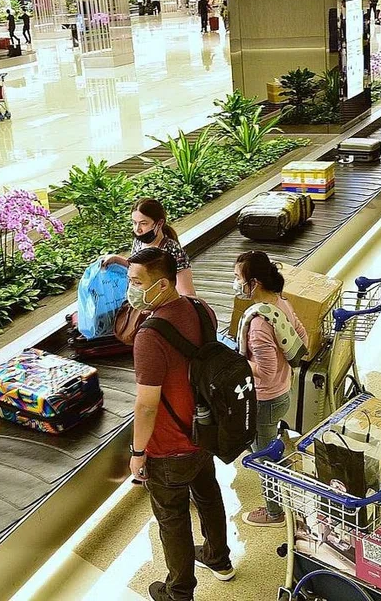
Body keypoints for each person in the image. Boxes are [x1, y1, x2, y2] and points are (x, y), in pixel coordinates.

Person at [127, 247, 234, 601]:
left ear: (161, 284)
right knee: (208, 495)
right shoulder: (201, 309)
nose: (131, 289)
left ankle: (179, 592)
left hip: (169, 446)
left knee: (172, 518)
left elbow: (146, 406)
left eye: (136, 282)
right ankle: (218, 558)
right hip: (204, 430)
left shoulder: (150, 335)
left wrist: (138, 452)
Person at [233, 251, 308, 528]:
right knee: (262, 445)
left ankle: (275, 513)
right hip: (282, 391)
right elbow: (302, 336)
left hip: (265, 399)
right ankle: (287, 479)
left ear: (254, 283)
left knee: (263, 458)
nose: (235, 284)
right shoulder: (280, 303)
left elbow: (264, 370)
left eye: (238, 278)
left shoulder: (258, 325)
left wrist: (237, 361)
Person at [104, 198, 197, 297]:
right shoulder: (139, 242)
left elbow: (188, 294)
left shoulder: (172, 251)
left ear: (159, 223)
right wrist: (116, 259)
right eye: (134, 223)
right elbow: (138, 268)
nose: (137, 229)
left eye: (143, 223)